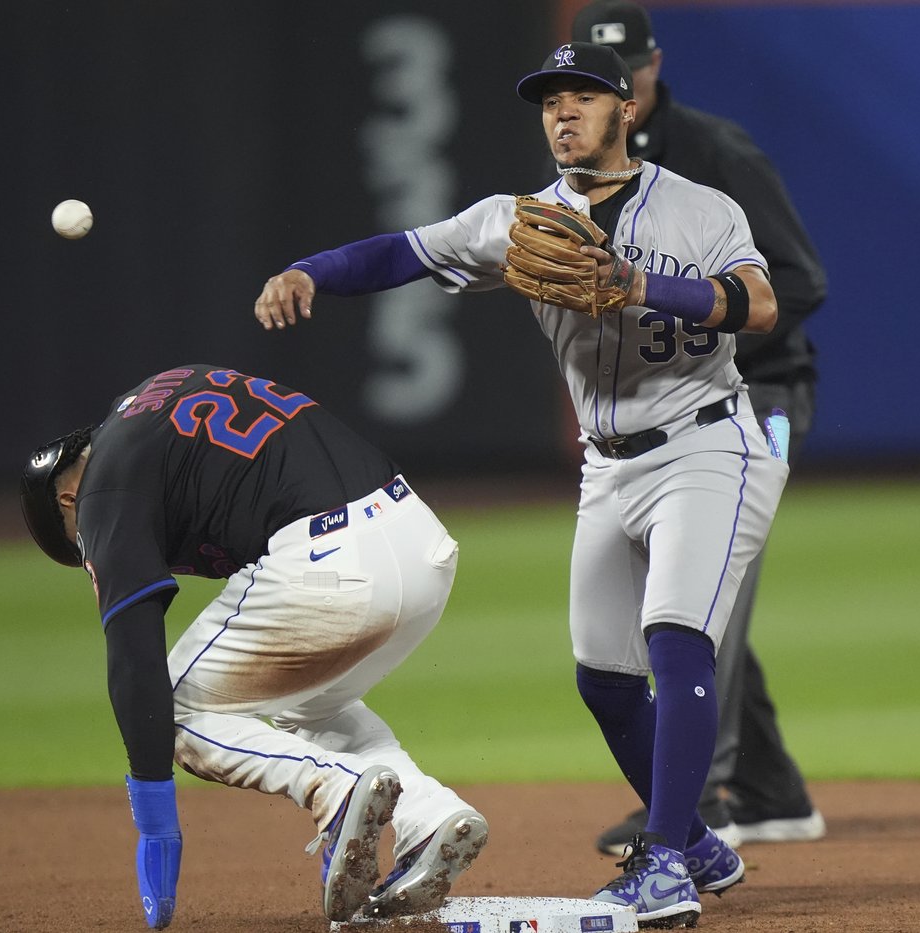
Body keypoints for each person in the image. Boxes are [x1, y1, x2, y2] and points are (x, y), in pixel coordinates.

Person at [253, 41, 789, 929]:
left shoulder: (699, 209)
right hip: (609, 462)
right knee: (604, 679)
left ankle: (664, 864)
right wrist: (312, 270)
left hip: (707, 446)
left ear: (625, 109)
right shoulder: (519, 219)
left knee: (673, 637)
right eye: (550, 103)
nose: (562, 114)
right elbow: (404, 252)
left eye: (582, 98)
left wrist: (639, 284)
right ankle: (694, 837)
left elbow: (759, 304)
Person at [19, 364, 488, 929]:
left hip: (332, 563)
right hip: (421, 542)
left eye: (81, 547)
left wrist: (154, 819)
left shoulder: (102, 491)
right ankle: (427, 815)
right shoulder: (154, 400)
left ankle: (334, 791)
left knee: (175, 708)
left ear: (69, 502)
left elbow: (134, 657)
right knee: (312, 704)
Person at [572, 0, 829, 853]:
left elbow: (801, 282)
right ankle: (769, 787)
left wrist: (708, 319)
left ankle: (707, 792)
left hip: (762, 393)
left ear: (652, 67)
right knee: (698, 589)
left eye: (632, 67)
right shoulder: (595, 173)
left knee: (712, 592)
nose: (624, 81)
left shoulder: (714, 155)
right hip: (670, 407)